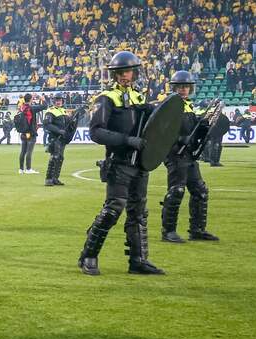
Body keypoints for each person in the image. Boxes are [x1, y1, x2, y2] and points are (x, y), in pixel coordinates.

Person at [78, 51, 163, 276]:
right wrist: (127, 140)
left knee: (138, 213)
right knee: (113, 210)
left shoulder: (139, 98)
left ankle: (138, 260)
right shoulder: (106, 98)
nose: (126, 75)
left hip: (140, 164)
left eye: (129, 71)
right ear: (115, 75)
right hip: (119, 162)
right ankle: (88, 256)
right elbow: (96, 132)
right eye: (122, 72)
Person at [159, 71, 219, 244]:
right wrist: (179, 139)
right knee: (176, 191)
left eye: (186, 86)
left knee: (200, 191)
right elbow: (161, 131)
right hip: (175, 154)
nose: (183, 89)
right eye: (180, 86)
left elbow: (192, 130)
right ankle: (168, 231)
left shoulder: (188, 106)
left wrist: (203, 127)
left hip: (189, 155)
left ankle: (197, 230)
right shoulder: (168, 106)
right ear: (174, 88)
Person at [42, 93, 69, 186]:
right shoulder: (50, 111)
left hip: (62, 139)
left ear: (62, 101)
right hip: (54, 138)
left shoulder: (63, 111)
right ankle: (48, 179)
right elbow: (47, 124)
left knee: (60, 158)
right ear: (54, 101)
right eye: (57, 100)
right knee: (54, 157)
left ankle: (55, 178)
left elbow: (69, 123)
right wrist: (58, 130)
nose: (58, 102)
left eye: (60, 100)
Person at [17, 94, 46, 174]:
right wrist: (42, 99)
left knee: (23, 151)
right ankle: (28, 169)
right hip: (30, 133)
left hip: (23, 132)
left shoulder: (22, 107)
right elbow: (45, 106)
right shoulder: (32, 108)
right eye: (32, 99)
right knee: (29, 151)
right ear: (30, 100)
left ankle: (21, 169)